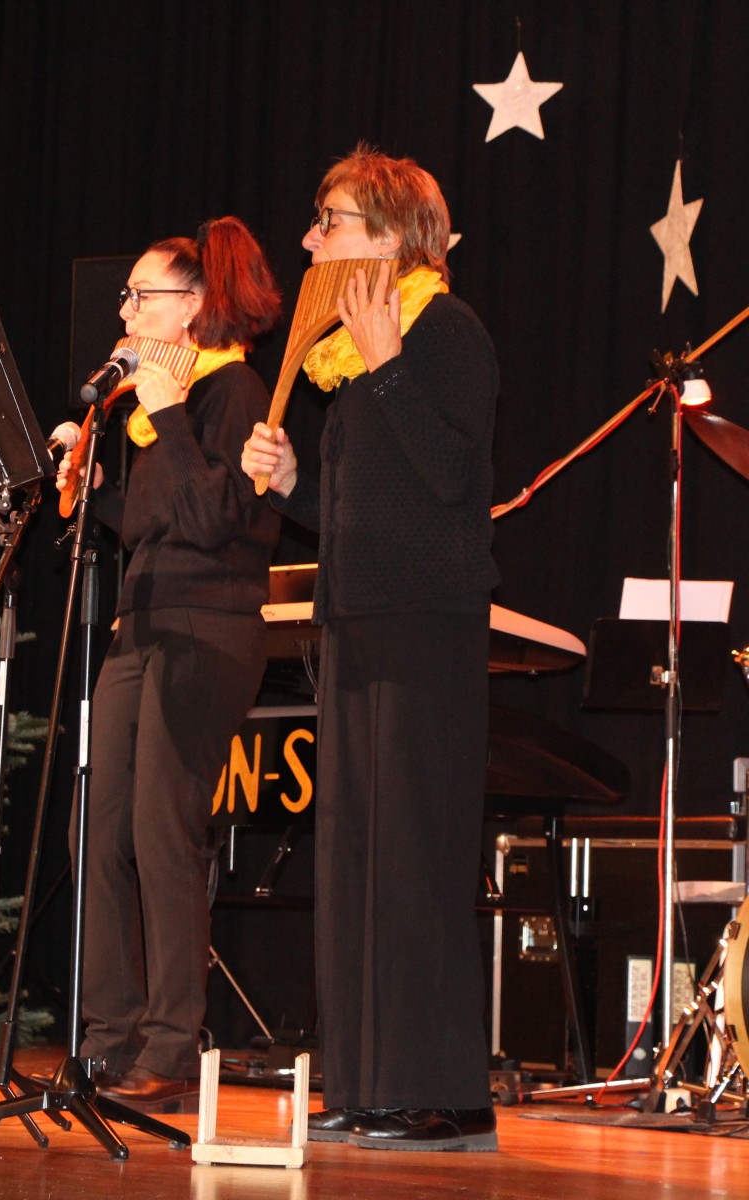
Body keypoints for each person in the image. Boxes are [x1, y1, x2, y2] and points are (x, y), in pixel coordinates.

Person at [241, 146, 499, 1150]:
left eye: (331, 221)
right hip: (353, 625)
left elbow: (454, 483)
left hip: (424, 628)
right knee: (353, 863)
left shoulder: (445, 331)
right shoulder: (348, 366)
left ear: (391, 236)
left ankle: (437, 1095)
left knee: (413, 864)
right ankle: (365, 1083)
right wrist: (292, 486)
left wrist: (389, 368)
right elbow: (366, 512)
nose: (311, 240)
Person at [56, 216, 283, 1112]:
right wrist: (95, 490)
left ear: (192, 306)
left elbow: (220, 518)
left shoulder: (233, 390)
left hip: (206, 629)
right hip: (139, 625)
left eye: (140, 295)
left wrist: (168, 415)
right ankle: (107, 1037)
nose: (125, 311)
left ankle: (171, 1046)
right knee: (97, 828)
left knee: (163, 830)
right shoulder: (162, 416)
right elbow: (158, 525)